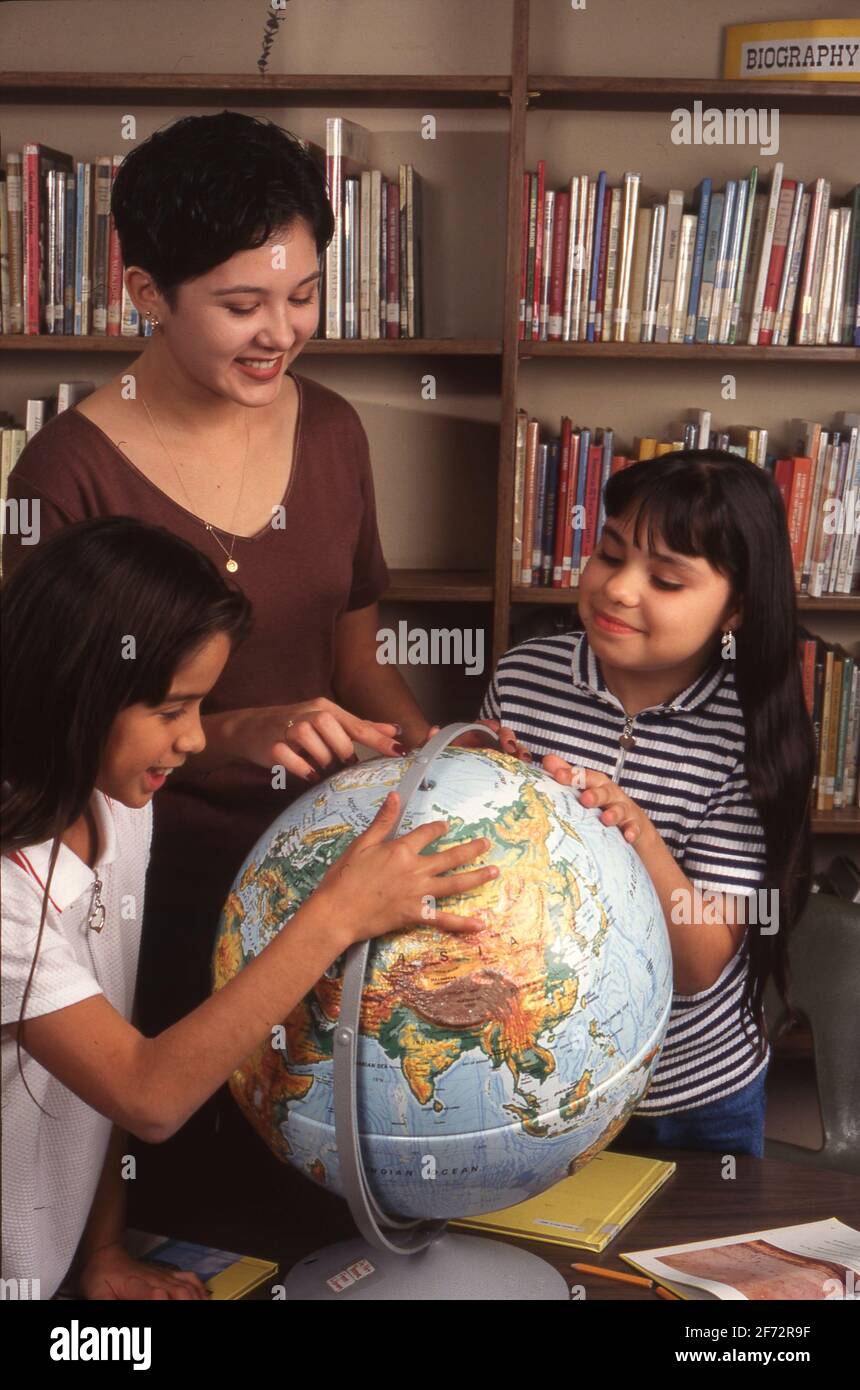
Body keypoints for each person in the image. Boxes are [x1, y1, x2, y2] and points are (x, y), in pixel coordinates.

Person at [1, 110, 446, 1207]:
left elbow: (358, 663)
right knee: (173, 1202)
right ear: (146, 291)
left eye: (301, 297)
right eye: (241, 305)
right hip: (144, 918)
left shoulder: (336, 431)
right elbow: (43, 725)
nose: (279, 333)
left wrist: (449, 759)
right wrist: (238, 733)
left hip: (334, 886)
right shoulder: (62, 473)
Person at [0, 518, 498, 1299]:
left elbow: (87, 1076)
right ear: (79, 690)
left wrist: (102, 1253)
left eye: (202, 708)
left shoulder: (117, 804)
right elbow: (147, 1093)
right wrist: (339, 914)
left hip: (58, 1270)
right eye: (174, 711)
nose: (193, 739)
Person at [478, 450, 815, 1157]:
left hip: (687, 1097)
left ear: (737, 609)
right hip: (551, 1082)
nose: (620, 589)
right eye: (609, 554)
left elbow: (697, 965)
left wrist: (631, 831)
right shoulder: (524, 678)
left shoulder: (746, 734)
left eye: (665, 578)